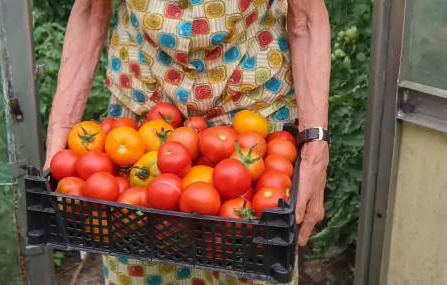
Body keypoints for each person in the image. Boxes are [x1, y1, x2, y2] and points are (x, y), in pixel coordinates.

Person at [43, 0, 330, 284]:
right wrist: (62, 127)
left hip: (254, 120)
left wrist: (316, 147)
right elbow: (92, 8)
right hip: (142, 121)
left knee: (252, 258)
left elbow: (305, 14)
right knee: (136, 248)